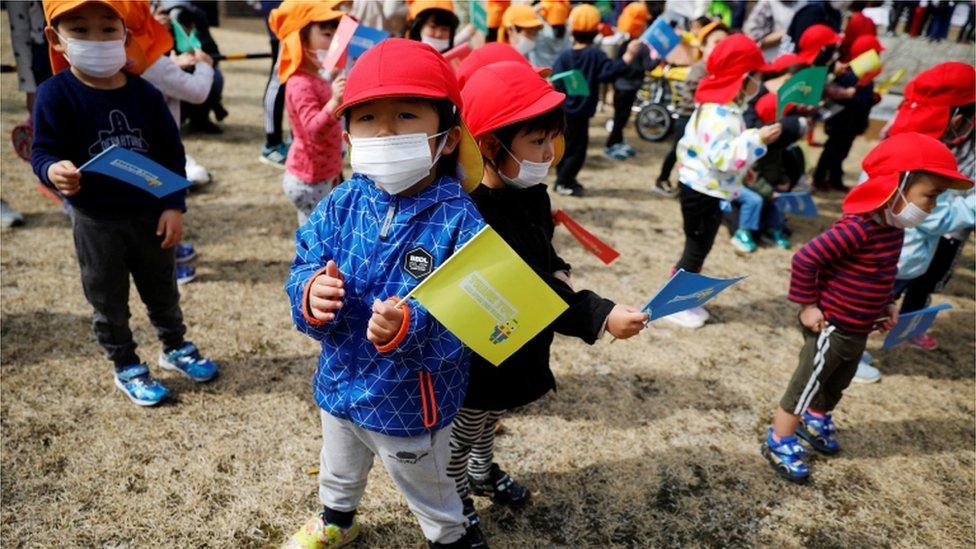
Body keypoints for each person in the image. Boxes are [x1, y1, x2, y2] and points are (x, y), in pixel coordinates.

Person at [283, 38, 487, 549]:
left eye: (405, 114)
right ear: (348, 132)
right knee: (338, 464)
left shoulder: (461, 221)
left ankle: (450, 535)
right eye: (368, 118)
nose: (386, 130)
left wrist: (410, 325)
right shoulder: (341, 201)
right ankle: (336, 517)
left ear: (446, 137)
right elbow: (303, 260)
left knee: (429, 487)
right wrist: (310, 294)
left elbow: (474, 318)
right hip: (339, 382)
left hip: (410, 402)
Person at [456, 59, 648, 548]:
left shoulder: (532, 193)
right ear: (490, 145)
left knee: (490, 416)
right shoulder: (469, 212)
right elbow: (530, 292)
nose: (549, 152)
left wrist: (557, 262)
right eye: (536, 142)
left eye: (551, 140)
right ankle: (456, 502)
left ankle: (481, 470)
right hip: (479, 348)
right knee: (463, 427)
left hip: (519, 340)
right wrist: (601, 315)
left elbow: (540, 255)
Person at [31, 0, 219, 406]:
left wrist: (173, 205)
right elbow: (41, 150)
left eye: (107, 29)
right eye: (79, 30)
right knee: (108, 300)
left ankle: (174, 346)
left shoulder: (146, 94)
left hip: (150, 215)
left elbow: (171, 154)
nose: (96, 39)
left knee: (163, 290)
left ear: (125, 36)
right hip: (95, 221)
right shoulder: (54, 94)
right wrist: (52, 170)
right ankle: (126, 364)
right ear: (56, 39)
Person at [761, 132, 972, 483]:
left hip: (859, 328)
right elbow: (805, 259)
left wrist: (887, 304)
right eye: (930, 196)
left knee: (836, 383)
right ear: (898, 185)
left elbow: (884, 273)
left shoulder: (894, 229)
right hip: (830, 326)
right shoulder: (857, 228)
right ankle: (779, 438)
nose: (933, 206)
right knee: (806, 384)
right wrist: (808, 305)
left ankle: (815, 419)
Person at [854, 61, 976, 382]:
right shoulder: (919, 159)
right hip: (890, 261)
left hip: (899, 259)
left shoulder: (904, 141)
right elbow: (938, 217)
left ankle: (851, 350)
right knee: (863, 313)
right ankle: (847, 358)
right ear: (957, 119)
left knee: (874, 310)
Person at [666, 34, 781, 328]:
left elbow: (714, 153)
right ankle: (675, 304)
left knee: (699, 246)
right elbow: (721, 157)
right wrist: (757, 139)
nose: (759, 82)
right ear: (744, 78)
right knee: (696, 248)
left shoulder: (719, 107)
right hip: (702, 191)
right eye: (756, 76)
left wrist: (745, 170)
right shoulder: (722, 115)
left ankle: (684, 298)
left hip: (703, 187)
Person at [268, 1, 346, 226]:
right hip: (311, 179)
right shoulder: (300, 83)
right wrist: (333, 102)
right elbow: (313, 128)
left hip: (323, 173)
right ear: (301, 40)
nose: (334, 43)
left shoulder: (314, 76)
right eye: (327, 34)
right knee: (316, 236)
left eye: (335, 36)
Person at [551, 4, 640, 196]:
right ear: (596, 31)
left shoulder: (565, 56)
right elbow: (610, 72)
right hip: (582, 112)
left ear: (572, 30)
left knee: (566, 147)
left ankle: (566, 178)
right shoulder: (595, 55)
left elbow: (556, 80)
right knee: (578, 150)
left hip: (564, 110)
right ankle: (563, 182)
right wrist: (628, 56)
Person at [655, 20, 729, 195]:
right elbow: (692, 92)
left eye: (724, 44)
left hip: (706, 120)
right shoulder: (699, 68)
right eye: (716, 43)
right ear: (703, 46)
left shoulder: (719, 70)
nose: (720, 48)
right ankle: (662, 178)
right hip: (688, 117)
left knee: (695, 153)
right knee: (678, 150)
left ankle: (686, 184)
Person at [812, 35, 884, 191]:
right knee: (831, 152)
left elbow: (862, 99)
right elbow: (843, 98)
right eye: (876, 54)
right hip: (841, 122)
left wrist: (872, 99)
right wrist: (860, 98)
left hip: (852, 123)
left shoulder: (866, 76)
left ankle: (835, 179)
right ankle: (819, 178)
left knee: (841, 153)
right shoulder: (848, 74)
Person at [604, 1, 654, 160]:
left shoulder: (625, 43)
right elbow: (649, 66)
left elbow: (619, 65)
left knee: (619, 116)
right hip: (630, 87)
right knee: (621, 118)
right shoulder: (642, 47)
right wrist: (659, 57)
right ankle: (611, 144)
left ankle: (616, 141)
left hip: (620, 86)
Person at [258, 0, 288, 168]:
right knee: (279, 79)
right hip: (285, 22)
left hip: (308, 18)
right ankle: (272, 143)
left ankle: (295, 138)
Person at [528, 0, 571, 68]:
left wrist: (533, 11)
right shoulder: (567, 32)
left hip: (542, 73)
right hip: (560, 72)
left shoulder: (539, 33)